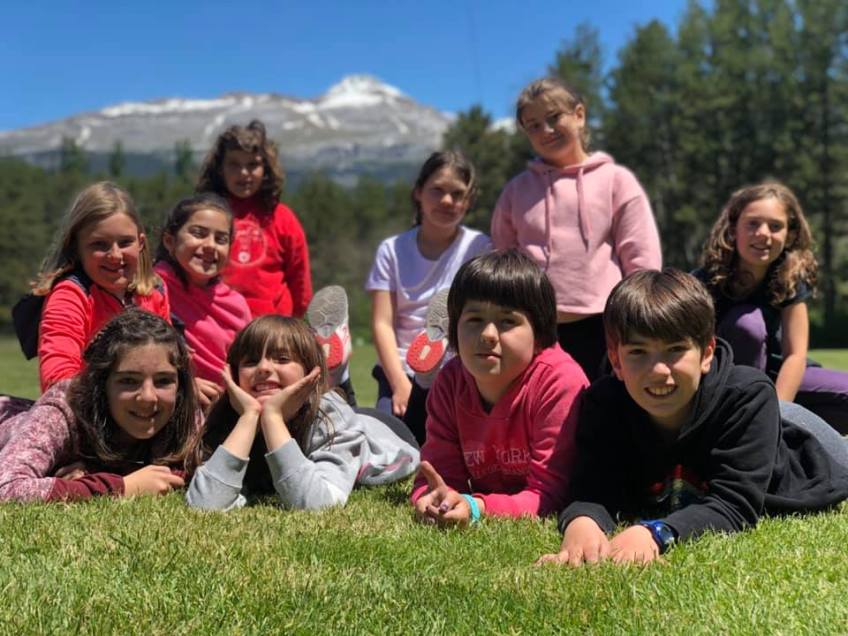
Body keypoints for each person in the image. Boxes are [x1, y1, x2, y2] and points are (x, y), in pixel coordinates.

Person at [538, 269, 848, 567]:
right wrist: (583, 522)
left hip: (799, 441)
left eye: (675, 350)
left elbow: (734, 504)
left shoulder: (746, 397)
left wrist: (657, 532)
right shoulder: (603, 403)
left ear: (706, 353)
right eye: (638, 352)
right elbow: (592, 487)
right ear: (616, 359)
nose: (658, 370)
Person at [491, 77, 661, 381]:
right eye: (533, 125)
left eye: (554, 117)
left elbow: (641, 257)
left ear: (579, 114)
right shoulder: (515, 192)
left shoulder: (616, 180)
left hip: (605, 327)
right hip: (535, 331)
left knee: (603, 406)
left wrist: (636, 323)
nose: (546, 130)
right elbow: (503, 261)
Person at [410, 250, 588, 527]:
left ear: (539, 332)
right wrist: (433, 499)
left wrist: (476, 507)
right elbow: (438, 476)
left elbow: (550, 494)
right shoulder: (450, 382)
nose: (488, 335)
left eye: (508, 321)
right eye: (474, 320)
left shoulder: (559, 382)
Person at [186, 315, 419, 511]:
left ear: (310, 374)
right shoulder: (227, 413)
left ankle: (415, 381)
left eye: (282, 359)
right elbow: (204, 504)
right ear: (233, 374)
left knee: (354, 411)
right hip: (341, 418)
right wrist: (249, 417)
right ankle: (339, 375)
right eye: (251, 361)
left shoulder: (330, 415)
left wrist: (273, 417)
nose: (263, 368)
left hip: (385, 434)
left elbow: (318, 504)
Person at [0, 309, 202, 502]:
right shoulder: (62, 411)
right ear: (101, 384)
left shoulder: (183, 409)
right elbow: (7, 487)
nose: (148, 397)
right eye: (128, 381)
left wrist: (94, 472)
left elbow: (205, 470)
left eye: (163, 381)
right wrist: (122, 486)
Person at [695, 181, 848, 432]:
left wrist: (776, 412)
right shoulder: (704, 282)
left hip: (781, 376)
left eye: (775, 226)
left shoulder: (789, 277)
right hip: (724, 383)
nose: (763, 233)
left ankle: (785, 431)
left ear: (790, 235)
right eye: (753, 224)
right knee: (747, 323)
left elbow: (795, 355)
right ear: (733, 229)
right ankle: (738, 425)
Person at [366, 151, 491, 443]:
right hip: (401, 369)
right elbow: (382, 323)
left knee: (449, 447)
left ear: (468, 201)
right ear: (418, 193)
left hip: (457, 371)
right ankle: (341, 379)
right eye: (437, 190)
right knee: (390, 447)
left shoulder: (480, 247)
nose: (447, 201)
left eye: (457, 194)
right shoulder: (392, 250)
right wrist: (399, 384)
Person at [31, 182, 170, 391]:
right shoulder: (70, 295)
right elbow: (57, 380)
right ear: (76, 247)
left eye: (125, 242)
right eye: (99, 244)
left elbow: (170, 359)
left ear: (140, 243)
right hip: (88, 407)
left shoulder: (154, 291)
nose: (115, 255)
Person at [196, 119, 312, 320]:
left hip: (272, 326)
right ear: (220, 168)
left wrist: (296, 320)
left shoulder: (282, 218)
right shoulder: (204, 215)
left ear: (266, 169)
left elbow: (300, 279)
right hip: (216, 321)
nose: (244, 173)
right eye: (234, 164)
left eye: (252, 165)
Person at [154, 193, 252, 410]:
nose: (210, 245)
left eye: (221, 239)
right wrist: (181, 385)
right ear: (170, 241)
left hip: (227, 411)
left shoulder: (236, 305)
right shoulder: (150, 290)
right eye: (198, 234)